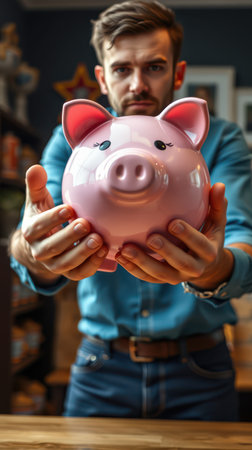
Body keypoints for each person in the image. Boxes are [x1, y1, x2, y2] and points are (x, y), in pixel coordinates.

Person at [9, 0, 252, 421]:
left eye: (154, 67)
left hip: (200, 366)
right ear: (102, 77)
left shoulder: (220, 140)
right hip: (100, 366)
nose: (138, 84)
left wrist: (213, 269)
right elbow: (30, 234)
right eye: (122, 69)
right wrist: (34, 251)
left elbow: (241, 240)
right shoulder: (71, 144)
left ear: (177, 73)